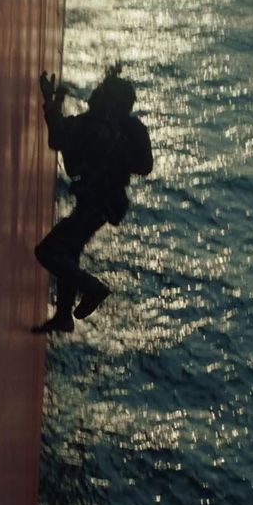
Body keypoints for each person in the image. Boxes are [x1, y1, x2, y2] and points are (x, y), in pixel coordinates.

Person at [32, 64, 154, 333]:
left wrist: (50, 101)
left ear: (107, 102)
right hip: (103, 205)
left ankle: (92, 288)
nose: (92, 96)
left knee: (47, 252)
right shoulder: (121, 130)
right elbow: (144, 166)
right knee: (70, 253)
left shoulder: (93, 127)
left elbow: (58, 139)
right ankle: (64, 315)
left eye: (99, 92)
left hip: (94, 205)